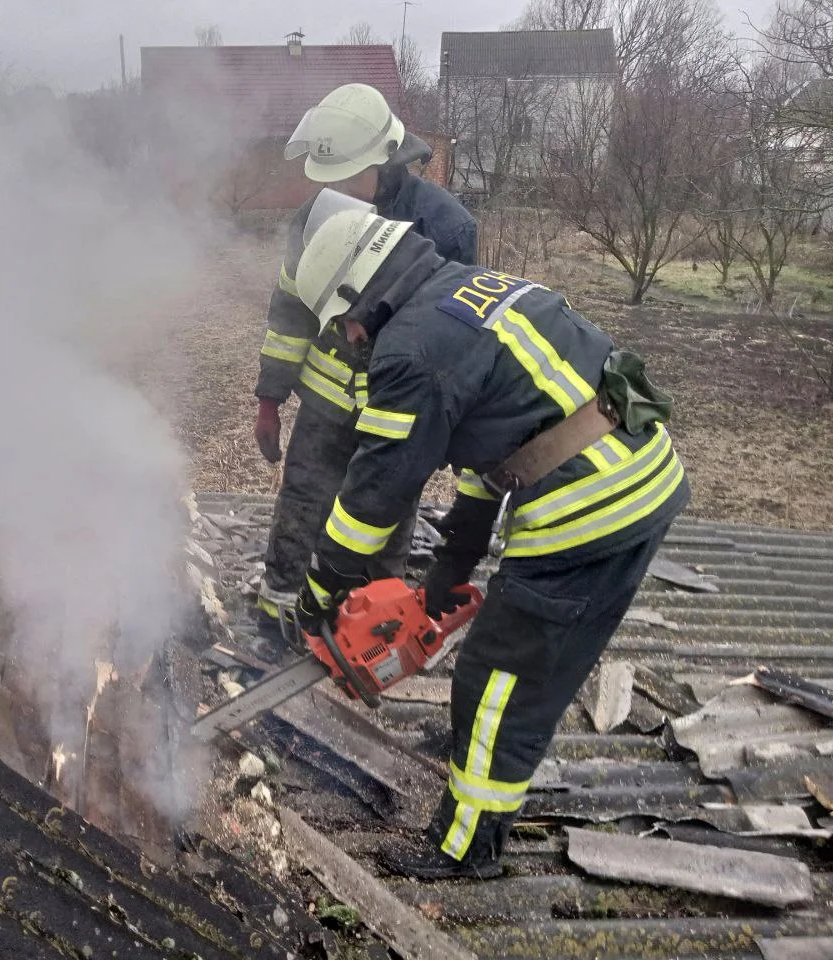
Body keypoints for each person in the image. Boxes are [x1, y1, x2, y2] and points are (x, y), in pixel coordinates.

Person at [287, 198, 689, 880]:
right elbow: (497, 444)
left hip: (590, 508)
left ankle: (466, 845)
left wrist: (322, 587)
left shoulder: (410, 349)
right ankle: (478, 748)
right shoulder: (464, 291)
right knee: (518, 671)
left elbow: (376, 492)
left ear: (362, 294)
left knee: (497, 677)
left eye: (344, 323)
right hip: (638, 476)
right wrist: (453, 562)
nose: (349, 338)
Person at [254, 83, 478, 633]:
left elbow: (455, 340)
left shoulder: (446, 227)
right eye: (327, 180)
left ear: (386, 159)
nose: (334, 192)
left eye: (346, 177)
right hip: (325, 402)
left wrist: (442, 428)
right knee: (303, 499)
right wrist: (269, 397)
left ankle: (369, 627)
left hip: (398, 409)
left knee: (386, 513)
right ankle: (278, 609)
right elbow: (291, 310)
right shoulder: (313, 217)